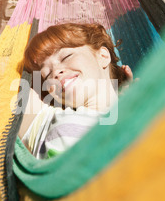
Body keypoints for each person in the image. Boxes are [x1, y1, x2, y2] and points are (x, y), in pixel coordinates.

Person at [18, 23, 133, 159]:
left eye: (66, 57)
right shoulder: (47, 119)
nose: (55, 72)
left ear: (102, 56)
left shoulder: (136, 120)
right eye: (47, 74)